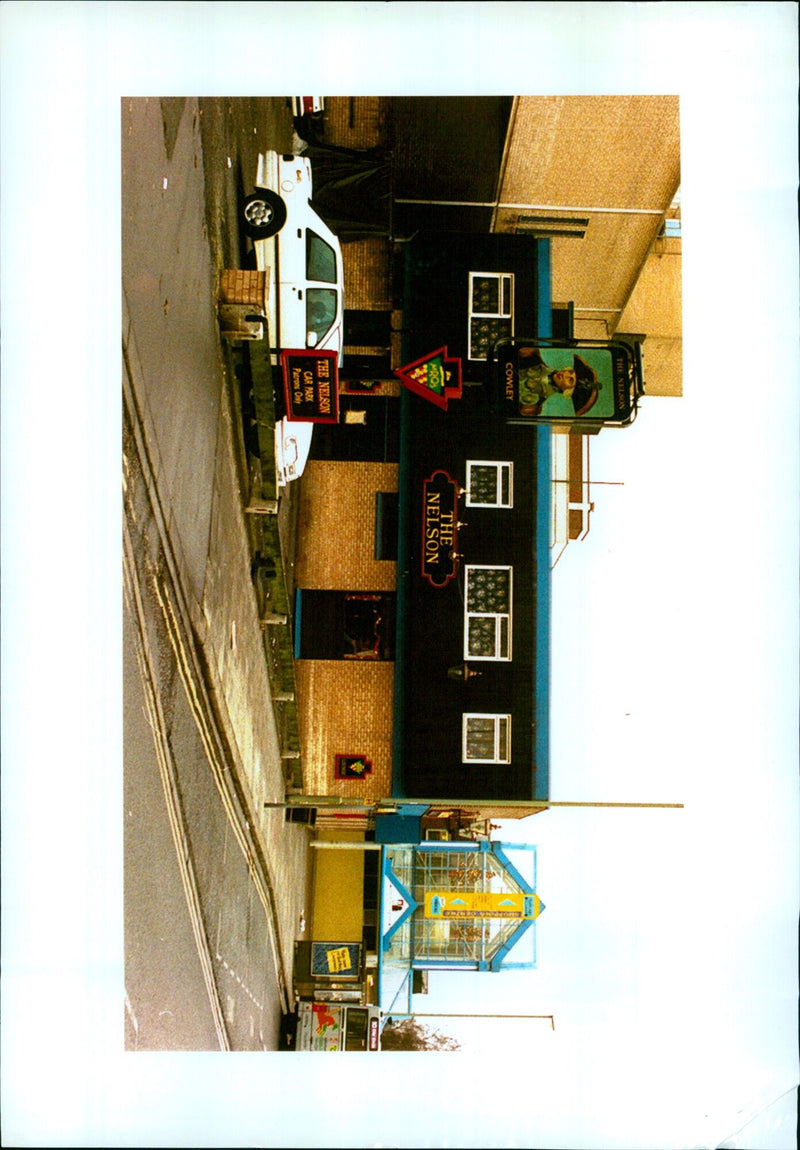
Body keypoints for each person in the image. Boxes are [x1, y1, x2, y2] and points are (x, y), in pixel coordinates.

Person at [517, 347, 601, 417]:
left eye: (570, 380)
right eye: (570, 372)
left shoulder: (533, 407)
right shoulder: (532, 353)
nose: (565, 375)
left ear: (568, 392)